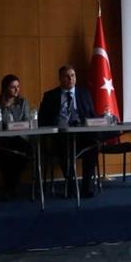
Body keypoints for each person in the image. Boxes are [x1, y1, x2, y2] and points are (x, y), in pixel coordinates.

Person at [38, 64, 100, 197]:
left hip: (81, 135)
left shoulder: (84, 93)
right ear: (60, 78)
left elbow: (92, 116)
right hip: (60, 135)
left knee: (94, 145)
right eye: (67, 76)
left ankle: (86, 185)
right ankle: (71, 183)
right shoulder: (50, 96)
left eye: (73, 75)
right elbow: (42, 120)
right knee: (63, 146)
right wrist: (56, 122)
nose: (71, 79)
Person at [0, 74, 31, 198]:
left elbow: (27, 122)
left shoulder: (23, 103)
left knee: (17, 152)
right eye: (13, 87)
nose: (16, 89)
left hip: (20, 140)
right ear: (5, 88)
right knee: (8, 154)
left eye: (18, 86)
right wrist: (5, 108)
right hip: (3, 142)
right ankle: (10, 187)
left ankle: (10, 187)